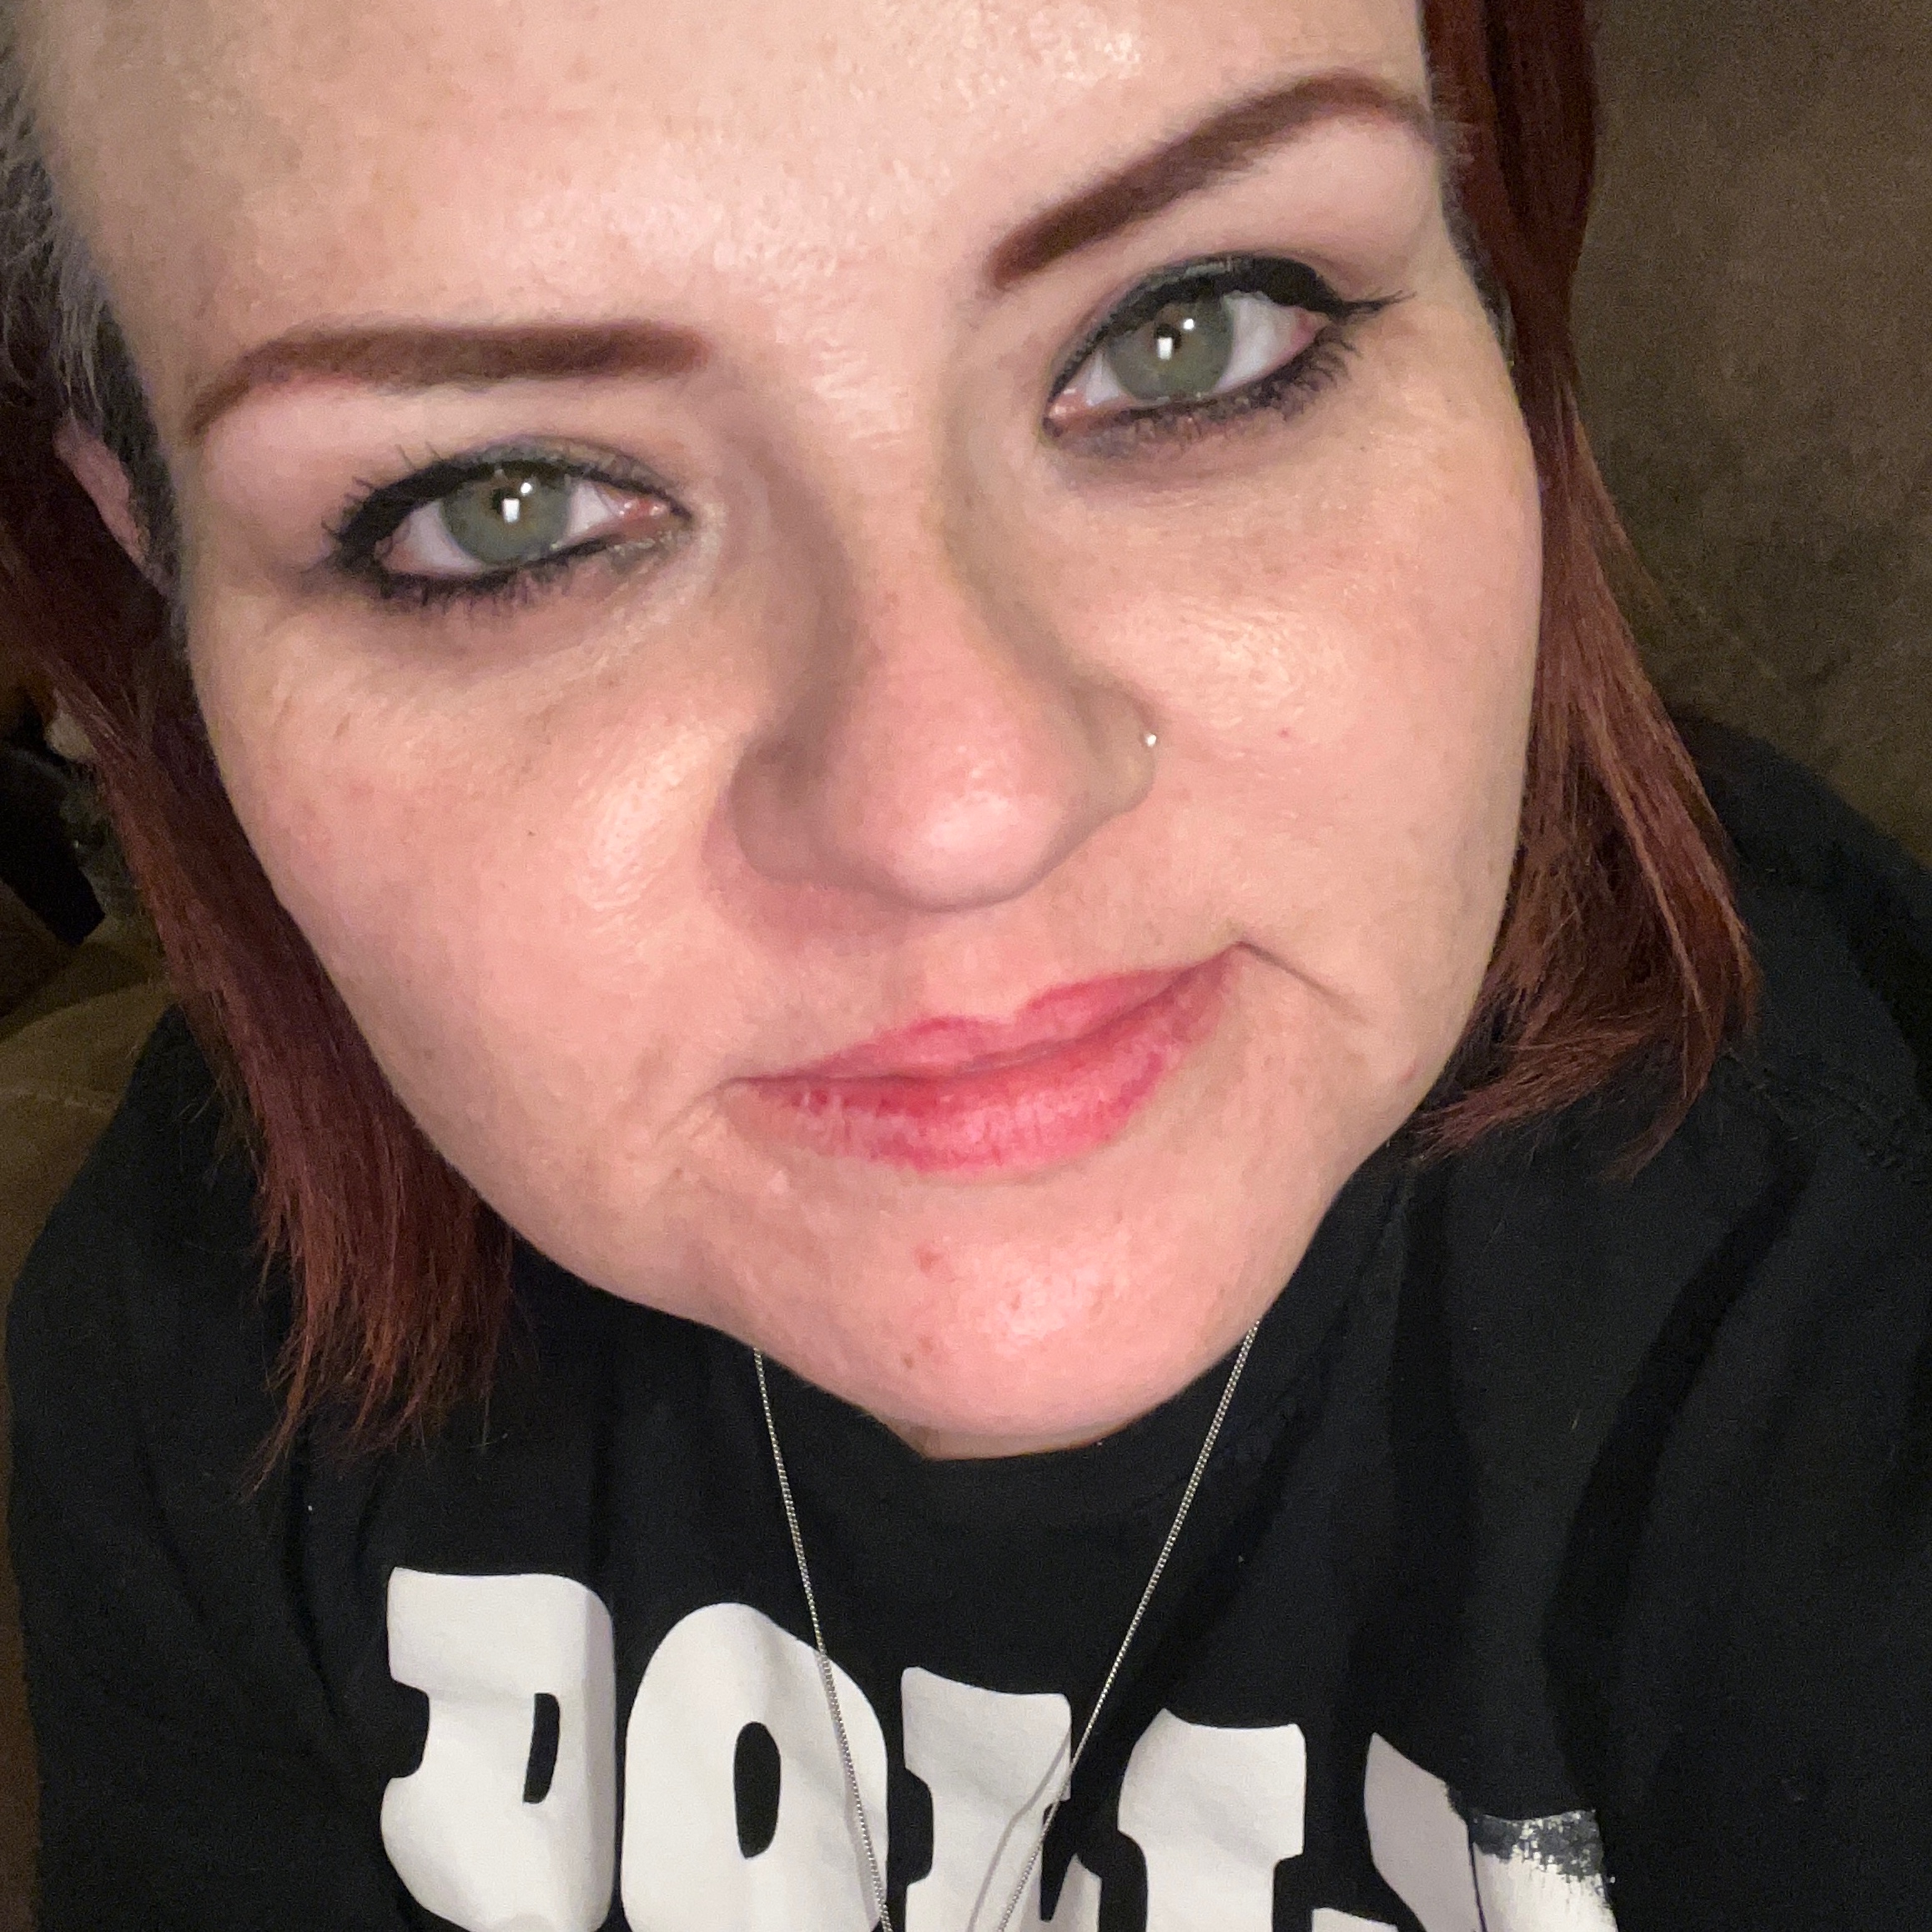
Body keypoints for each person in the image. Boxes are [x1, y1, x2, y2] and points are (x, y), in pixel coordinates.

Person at [1, 0, 1927, 1922]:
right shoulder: (205, 1326)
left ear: (1495, 297)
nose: (957, 812)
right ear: (156, 558)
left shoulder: (1838, 1318)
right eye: (505, 510)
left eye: (1192, 333)